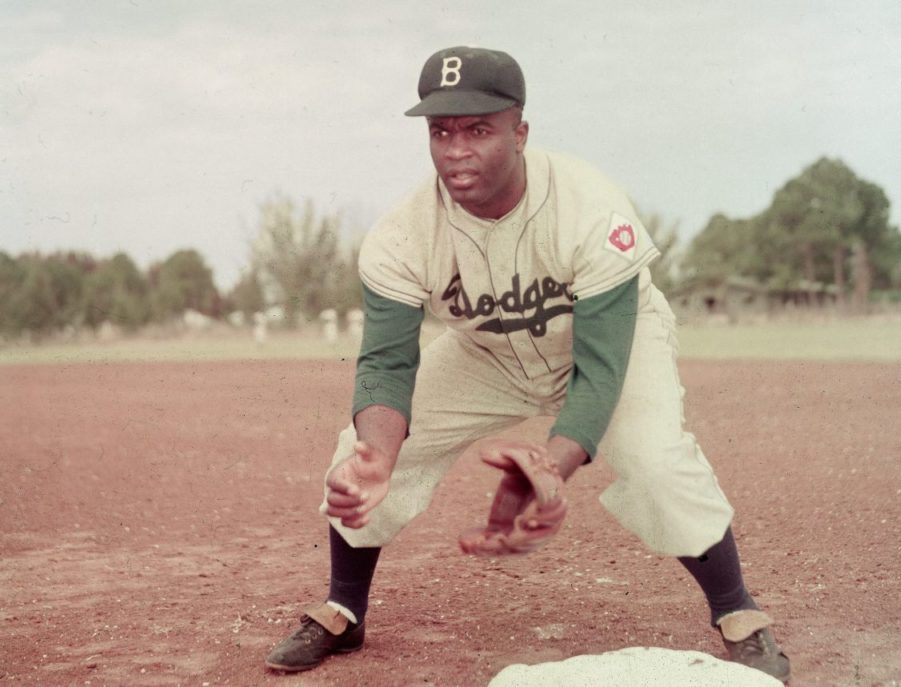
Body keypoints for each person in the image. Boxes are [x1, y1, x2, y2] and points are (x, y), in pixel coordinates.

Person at [265, 46, 791, 682]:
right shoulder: (402, 235)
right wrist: (378, 454)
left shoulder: (589, 205)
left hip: (605, 344)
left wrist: (550, 464)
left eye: (479, 129)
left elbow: (598, 372)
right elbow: (384, 362)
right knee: (361, 449)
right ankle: (343, 607)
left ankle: (738, 612)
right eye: (441, 131)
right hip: (486, 350)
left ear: (520, 132)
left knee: (655, 460)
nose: (456, 149)